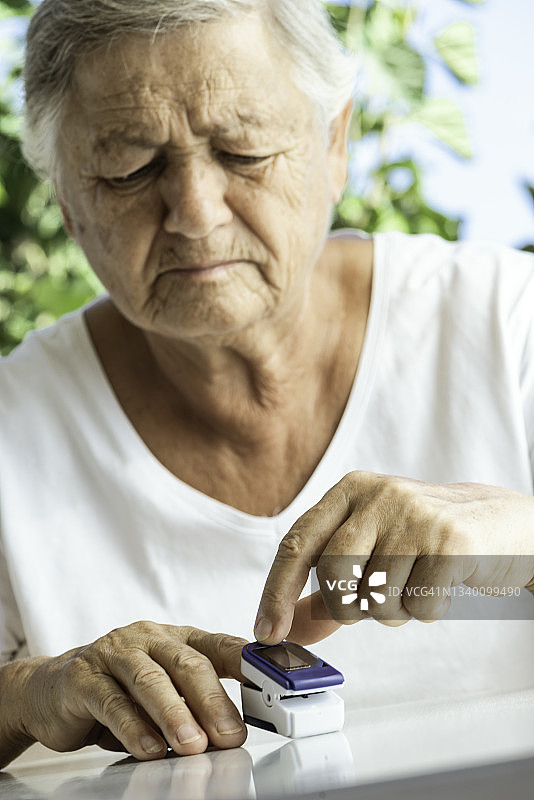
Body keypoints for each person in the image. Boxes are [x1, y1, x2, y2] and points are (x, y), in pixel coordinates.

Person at [1, 0, 533, 771]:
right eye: (129, 167)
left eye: (245, 151)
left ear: (334, 144)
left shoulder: (508, 322)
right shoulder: (16, 428)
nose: (194, 211)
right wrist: (25, 696)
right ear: (67, 204)